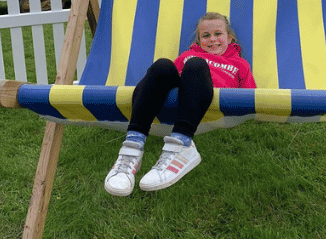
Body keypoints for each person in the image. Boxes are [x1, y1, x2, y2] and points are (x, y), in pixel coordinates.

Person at [104, 12, 256, 196]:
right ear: (199, 40)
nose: (212, 39)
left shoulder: (239, 64)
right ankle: (132, 148)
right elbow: (160, 81)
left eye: (218, 34)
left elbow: (251, 95)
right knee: (162, 65)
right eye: (206, 36)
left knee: (196, 66)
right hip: (178, 100)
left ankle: (181, 144)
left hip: (205, 101)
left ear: (230, 38)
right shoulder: (187, 55)